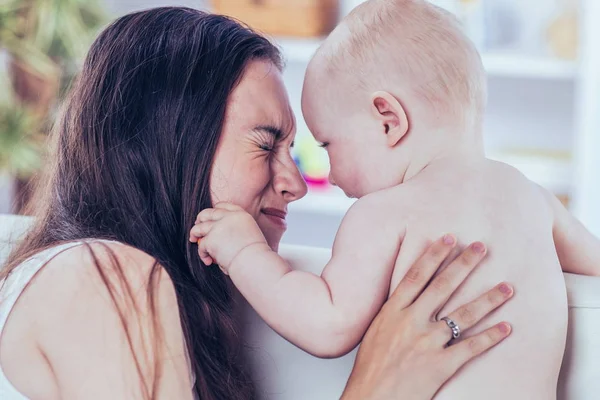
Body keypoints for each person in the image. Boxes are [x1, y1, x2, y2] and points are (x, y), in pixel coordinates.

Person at [0, 7, 512, 400]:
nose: (297, 184)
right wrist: (379, 385)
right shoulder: (106, 273)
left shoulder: (195, 301)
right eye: (266, 145)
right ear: (167, 141)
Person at [190, 0, 600, 399]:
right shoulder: (533, 197)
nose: (330, 176)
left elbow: (327, 326)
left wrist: (243, 251)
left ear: (388, 121)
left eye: (329, 145)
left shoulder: (383, 214)